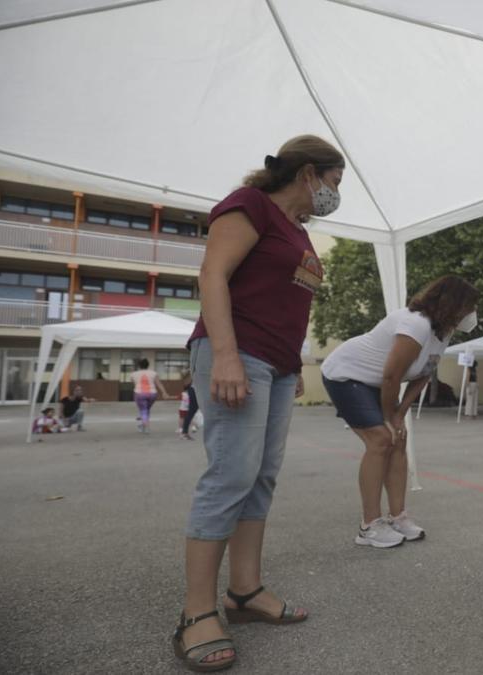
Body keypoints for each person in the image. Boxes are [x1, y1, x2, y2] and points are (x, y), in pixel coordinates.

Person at [175, 135, 343, 672]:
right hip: (235, 351)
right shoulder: (249, 206)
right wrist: (224, 355)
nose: (334, 196)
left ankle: (243, 593)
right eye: (334, 184)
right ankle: (196, 610)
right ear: (309, 174)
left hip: (275, 363)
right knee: (231, 473)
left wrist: (293, 364)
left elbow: (290, 304)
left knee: (261, 475)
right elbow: (213, 275)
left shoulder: (299, 233)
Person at [322, 275, 479, 549]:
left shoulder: (443, 331)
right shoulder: (415, 324)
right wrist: (389, 417)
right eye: (470, 307)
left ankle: (398, 517)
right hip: (346, 375)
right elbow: (391, 376)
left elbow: (423, 375)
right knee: (381, 439)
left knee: (399, 439)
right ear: (453, 304)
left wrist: (399, 415)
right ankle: (369, 526)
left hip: (376, 382)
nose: (473, 314)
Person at [130, 358, 171, 433]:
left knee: (143, 410)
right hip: (152, 394)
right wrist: (164, 393)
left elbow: (134, 384)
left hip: (140, 394)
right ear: (148, 365)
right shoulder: (153, 373)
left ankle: (146, 425)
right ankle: (142, 425)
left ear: (139, 365)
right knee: (146, 410)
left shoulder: (133, 374)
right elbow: (159, 384)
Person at [177, 370, 201, 441]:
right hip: (193, 389)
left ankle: (184, 432)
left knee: (193, 410)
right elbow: (184, 375)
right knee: (192, 410)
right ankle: (184, 433)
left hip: (194, 389)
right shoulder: (192, 370)